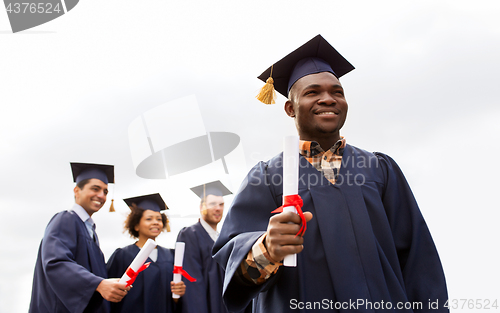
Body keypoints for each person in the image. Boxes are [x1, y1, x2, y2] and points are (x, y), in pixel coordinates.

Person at [213, 34, 449, 312]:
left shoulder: (379, 169)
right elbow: (234, 264)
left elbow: (418, 259)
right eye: (312, 92)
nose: (328, 99)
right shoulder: (266, 177)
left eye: (337, 92)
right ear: (290, 108)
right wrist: (267, 248)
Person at [29, 162, 131, 313]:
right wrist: (98, 284)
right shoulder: (66, 219)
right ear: (77, 190)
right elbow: (56, 263)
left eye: (105, 192)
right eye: (95, 189)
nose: (101, 196)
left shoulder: (89, 230)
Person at [106, 193, 186, 313]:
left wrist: (179, 294)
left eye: (159, 219)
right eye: (149, 219)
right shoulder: (122, 255)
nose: (155, 222)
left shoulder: (171, 255)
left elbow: (178, 299)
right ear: (136, 225)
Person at [176, 181, 245, 313]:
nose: (218, 208)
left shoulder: (225, 238)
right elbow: (193, 282)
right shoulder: (190, 234)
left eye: (221, 204)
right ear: (202, 207)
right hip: (204, 306)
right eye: (212, 204)